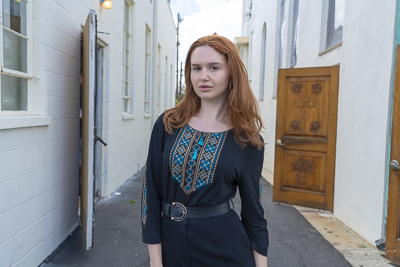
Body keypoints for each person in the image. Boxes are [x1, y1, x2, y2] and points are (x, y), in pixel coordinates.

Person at [141, 33, 269, 267]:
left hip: (225, 248)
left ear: (232, 74)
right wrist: (155, 263)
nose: (204, 76)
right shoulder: (168, 124)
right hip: (171, 247)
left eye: (214, 67)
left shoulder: (247, 140)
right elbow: (150, 196)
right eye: (196, 68)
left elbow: (254, 215)